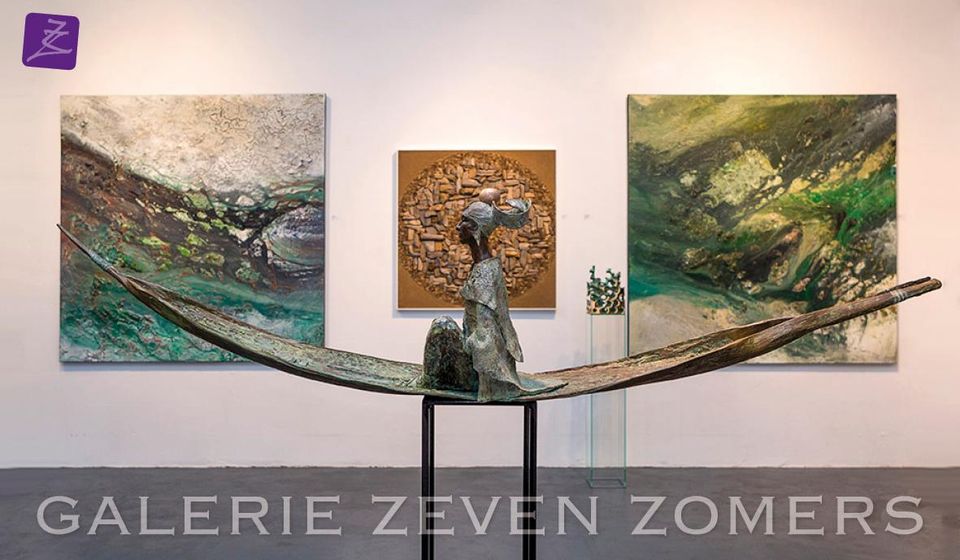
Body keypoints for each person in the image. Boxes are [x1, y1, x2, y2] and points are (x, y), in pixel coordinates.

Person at [420, 189, 565, 401]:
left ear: (476, 228)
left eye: (464, 221)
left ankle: (429, 382)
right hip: (476, 361)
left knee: (442, 326)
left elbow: (485, 336)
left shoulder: (486, 273)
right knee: (444, 326)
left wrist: (481, 375)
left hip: (481, 371)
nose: (458, 226)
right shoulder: (484, 266)